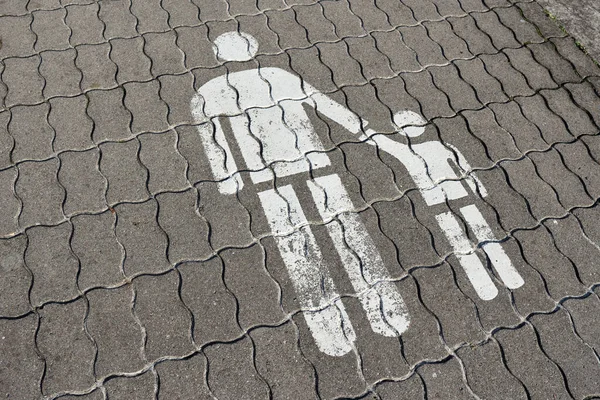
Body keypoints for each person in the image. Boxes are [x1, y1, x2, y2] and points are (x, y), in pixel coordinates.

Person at [191, 31, 409, 357]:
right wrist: (374, 137)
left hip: (266, 174)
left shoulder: (210, 91)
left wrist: (226, 176)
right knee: (346, 228)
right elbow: (328, 106)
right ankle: (383, 308)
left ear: (219, 54)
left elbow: (210, 135)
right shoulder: (280, 75)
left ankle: (328, 326)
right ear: (252, 48)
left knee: (295, 241)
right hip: (312, 161)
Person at [364, 110, 525, 300]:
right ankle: (488, 281)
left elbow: (464, 168)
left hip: (453, 196)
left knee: (479, 233)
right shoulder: (413, 149)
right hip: (442, 200)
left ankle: (503, 275)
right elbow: (382, 142)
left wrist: (478, 187)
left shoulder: (432, 147)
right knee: (463, 238)